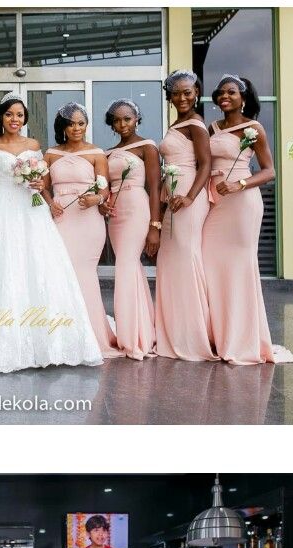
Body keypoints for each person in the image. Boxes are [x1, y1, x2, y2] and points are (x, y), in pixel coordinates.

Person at [0, 93, 104, 373]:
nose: (15, 120)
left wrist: (38, 185)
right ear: (1, 117)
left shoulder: (34, 145)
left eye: (20, 115)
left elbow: (42, 182)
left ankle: (46, 342)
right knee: (0, 269)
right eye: (10, 114)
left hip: (30, 208)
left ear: (25, 119)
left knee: (37, 266)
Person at [203, 75, 293, 365]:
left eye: (232, 92)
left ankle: (242, 338)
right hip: (215, 202)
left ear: (244, 97)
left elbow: (270, 171)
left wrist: (239, 184)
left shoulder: (254, 128)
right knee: (210, 263)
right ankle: (218, 333)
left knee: (240, 266)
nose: (224, 96)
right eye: (221, 92)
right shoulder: (212, 128)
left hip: (242, 203)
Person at [43, 102, 122, 358]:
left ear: (86, 125)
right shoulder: (51, 154)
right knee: (61, 274)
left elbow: (104, 189)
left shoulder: (96, 153)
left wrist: (96, 200)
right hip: (61, 219)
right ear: (62, 127)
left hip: (88, 220)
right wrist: (49, 202)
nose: (76, 128)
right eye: (71, 123)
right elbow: (42, 187)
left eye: (81, 123)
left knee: (85, 274)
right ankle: (61, 337)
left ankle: (93, 336)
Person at [155, 70, 217, 362]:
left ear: (196, 93)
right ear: (169, 96)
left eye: (188, 92)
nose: (182, 97)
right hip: (175, 195)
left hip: (189, 196)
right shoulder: (178, 122)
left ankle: (193, 336)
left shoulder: (196, 124)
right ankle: (175, 330)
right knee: (173, 260)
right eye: (176, 93)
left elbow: (205, 164)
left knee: (186, 257)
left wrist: (191, 197)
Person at [104, 99, 161, 360]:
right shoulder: (108, 153)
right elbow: (103, 187)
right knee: (129, 268)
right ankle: (140, 330)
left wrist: (154, 226)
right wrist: (103, 206)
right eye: (116, 120)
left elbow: (155, 188)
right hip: (115, 214)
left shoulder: (147, 147)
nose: (122, 124)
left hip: (137, 209)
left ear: (136, 118)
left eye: (127, 118)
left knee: (126, 265)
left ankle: (133, 337)